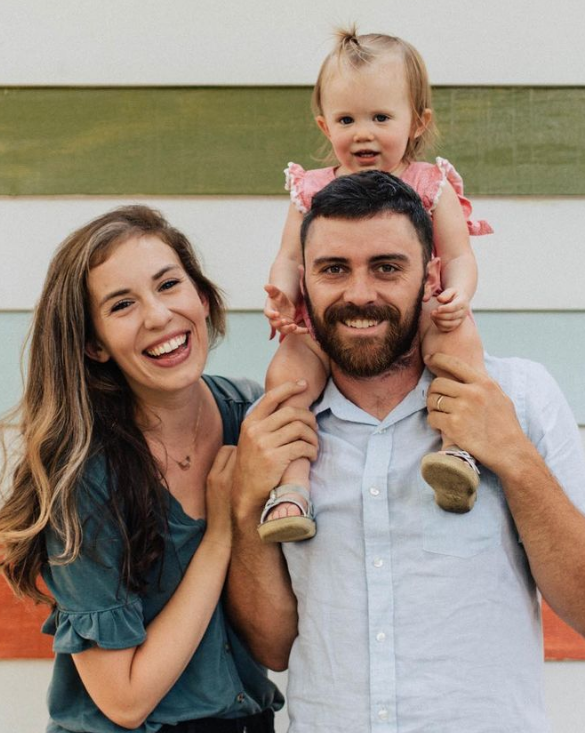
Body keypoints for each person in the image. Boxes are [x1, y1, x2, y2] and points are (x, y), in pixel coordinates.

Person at [226, 171, 585, 733]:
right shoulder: (273, 427)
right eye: (333, 269)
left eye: (387, 267)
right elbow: (273, 648)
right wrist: (248, 507)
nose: (359, 293)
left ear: (431, 276)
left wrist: (512, 456)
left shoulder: (519, 397)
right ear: (305, 283)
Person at [0, 205, 317, 733]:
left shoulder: (247, 418)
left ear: (201, 297)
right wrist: (222, 533)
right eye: (122, 305)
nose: (158, 316)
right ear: (94, 344)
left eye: (169, 285)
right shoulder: (85, 477)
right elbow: (125, 700)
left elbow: (276, 645)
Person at [258, 28, 493, 543]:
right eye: (346, 120)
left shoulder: (430, 183)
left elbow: (457, 255)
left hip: (422, 310)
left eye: (380, 118)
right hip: (333, 322)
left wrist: (459, 294)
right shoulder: (313, 189)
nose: (362, 133)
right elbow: (288, 257)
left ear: (417, 123)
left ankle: (456, 450)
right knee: (289, 378)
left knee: (458, 347)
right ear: (324, 124)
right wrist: (282, 295)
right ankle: (293, 489)